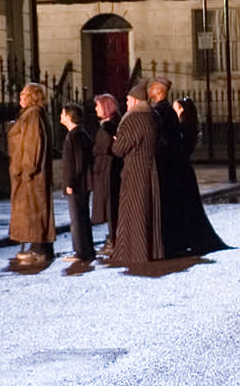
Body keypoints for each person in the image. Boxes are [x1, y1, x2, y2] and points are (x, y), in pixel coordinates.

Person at [150, 80, 228, 258]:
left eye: (177, 108)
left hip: (181, 172)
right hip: (184, 172)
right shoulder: (180, 125)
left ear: (182, 111)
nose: (175, 110)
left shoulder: (181, 126)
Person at [109, 88, 165, 265]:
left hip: (135, 170)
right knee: (148, 209)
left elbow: (119, 149)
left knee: (134, 211)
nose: (125, 103)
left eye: (127, 100)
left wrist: (117, 141)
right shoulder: (153, 117)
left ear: (134, 100)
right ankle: (152, 249)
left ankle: (135, 251)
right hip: (151, 168)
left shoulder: (133, 118)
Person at [7, 81, 55, 259]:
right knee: (34, 208)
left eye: (24, 95)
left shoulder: (33, 115)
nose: (20, 97)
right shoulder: (31, 114)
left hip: (30, 174)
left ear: (33, 97)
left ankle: (39, 248)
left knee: (34, 208)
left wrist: (27, 169)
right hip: (27, 172)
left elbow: (32, 144)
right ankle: (40, 246)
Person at [60, 102, 96, 262]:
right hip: (83, 184)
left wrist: (70, 183)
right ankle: (87, 250)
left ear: (68, 117)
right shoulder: (81, 134)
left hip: (77, 185)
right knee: (83, 217)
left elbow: (75, 163)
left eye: (62, 114)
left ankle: (81, 252)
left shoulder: (73, 136)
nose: (60, 117)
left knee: (77, 220)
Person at [91, 92, 122, 256]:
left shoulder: (109, 126)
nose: (96, 108)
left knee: (110, 206)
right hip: (106, 169)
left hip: (107, 170)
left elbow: (103, 147)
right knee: (109, 206)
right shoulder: (109, 124)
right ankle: (112, 237)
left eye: (98, 105)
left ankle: (113, 240)